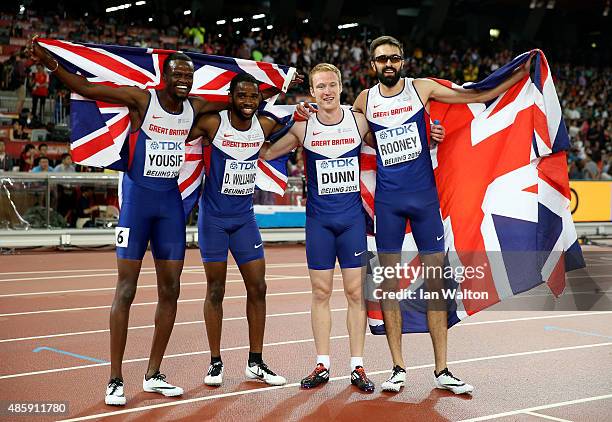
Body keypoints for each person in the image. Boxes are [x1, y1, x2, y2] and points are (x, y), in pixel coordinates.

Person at [29, 35, 228, 406]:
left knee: (171, 290)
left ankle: (153, 373)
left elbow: (239, 97)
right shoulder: (142, 99)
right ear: (163, 77)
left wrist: (279, 80)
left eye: (189, 74)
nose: (184, 79)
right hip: (136, 206)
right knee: (126, 289)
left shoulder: (194, 106)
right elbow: (86, 86)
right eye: (178, 73)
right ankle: (115, 379)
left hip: (170, 208)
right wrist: (50, 63)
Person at [350, 36, 530, 394]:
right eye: (382, 59)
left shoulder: (422, 89)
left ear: (403, 61)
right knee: (388, 285)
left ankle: (442, 369)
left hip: (424, 202)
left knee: (436, 284)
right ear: (372, 65)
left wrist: (520, 75)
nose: (389, 64)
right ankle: (398, 368)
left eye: (395, 58)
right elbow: (340, 129)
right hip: (388, 204)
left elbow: (476, 96)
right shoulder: (364, 100)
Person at [265, 63, 446, 392]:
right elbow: (264, 152)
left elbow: (396, 143)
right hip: (319, 223)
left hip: (351, 223)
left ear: (341, 87)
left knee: (354, 295)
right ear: (313, 93)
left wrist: (430, 137)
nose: (327, 91)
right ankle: (322, 364)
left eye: (332, 84)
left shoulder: (358, 121)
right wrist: (281, 115)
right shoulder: (303, 129)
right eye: (320, 86)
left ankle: (357, 367)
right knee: (320, 293)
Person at [187, 73, 291, 388]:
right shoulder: (213, 124)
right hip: (214, 220)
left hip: (244, 219)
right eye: (242, 96)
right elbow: (182, 122)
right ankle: (215, 362)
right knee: (216, 290)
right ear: (231, 97)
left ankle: (256, 361)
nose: (248, 103)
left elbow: (295, 120)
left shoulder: (264, 125)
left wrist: (287, 82)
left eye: (253, 97)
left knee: (258, 288)